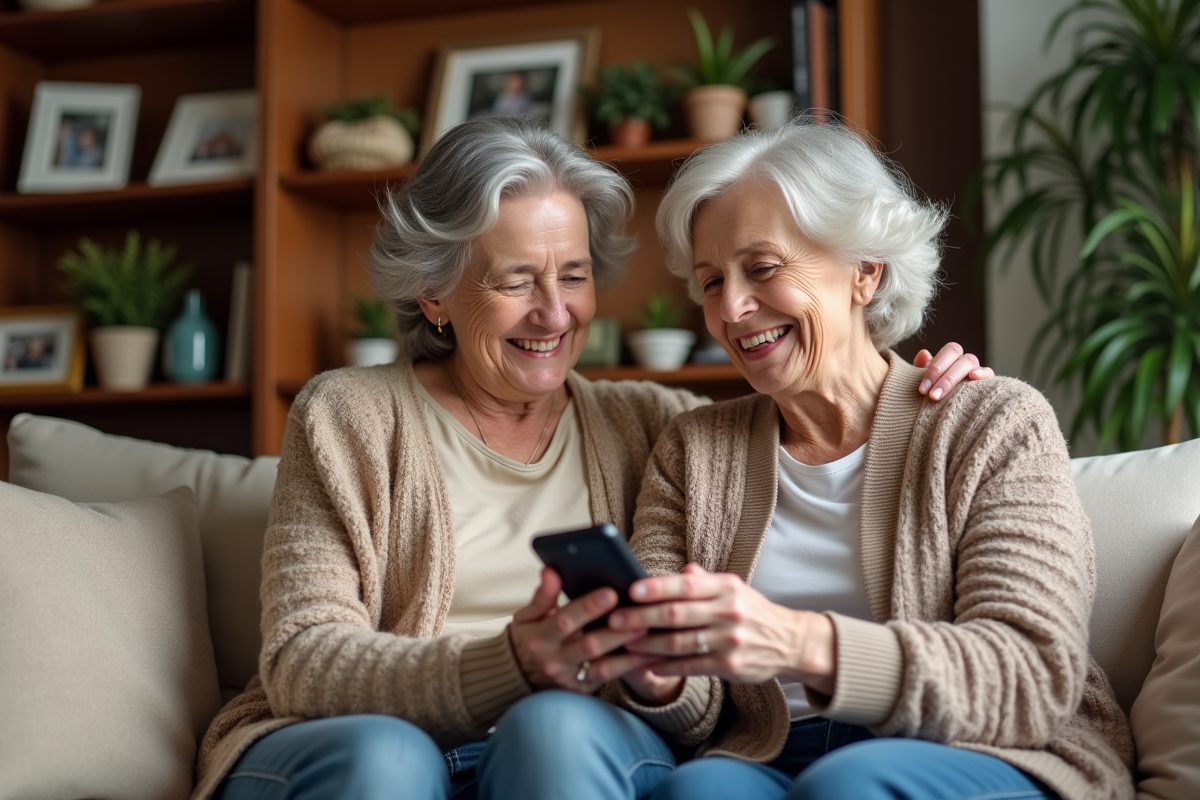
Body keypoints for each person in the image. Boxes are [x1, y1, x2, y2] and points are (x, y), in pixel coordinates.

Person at [193, 116, 989, 800]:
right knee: (388, 755)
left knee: (557, 728)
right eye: (516, 280)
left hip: (566, 741)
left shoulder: (654, 425)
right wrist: (507, 662)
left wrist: (926, 387)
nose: (553, 312)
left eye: (573, 276)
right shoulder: (348, 417)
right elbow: (300, 658)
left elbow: (803, 414)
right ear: (434, 293)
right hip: (366, 740)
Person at [478, 120, 1134, 800]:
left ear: (864, 272)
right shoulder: (693, 449)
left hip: (983, 752)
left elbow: (1032, 674)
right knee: (699, 792)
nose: (731, 308)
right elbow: (690, 710)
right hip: (765, 753)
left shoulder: (992, 423)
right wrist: (657, 670)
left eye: (762, 269)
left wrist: (799, 642)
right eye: (710, 282)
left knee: (848, 784)